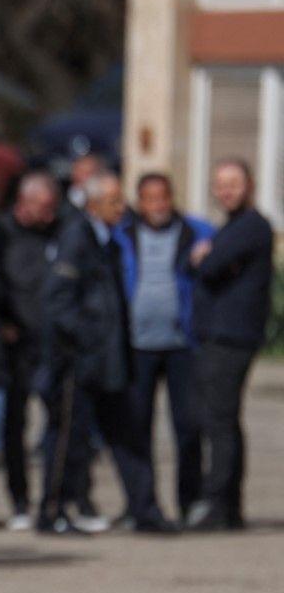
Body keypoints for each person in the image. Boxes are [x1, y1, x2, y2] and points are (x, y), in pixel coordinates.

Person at [40, 171, 167, 534]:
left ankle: (145, 510)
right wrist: (88, 339)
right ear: (94, 205)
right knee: (67, 438)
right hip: (77, 362)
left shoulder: (107, 240)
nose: (121, 207)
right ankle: (53, 511)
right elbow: (58, 302)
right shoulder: (76, 237)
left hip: (109, 361)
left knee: (127, 434)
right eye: (113, 201)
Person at [112, 172, 215, 527]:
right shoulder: (121, 235)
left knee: (188, 426)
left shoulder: (197, 231)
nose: (158, 205)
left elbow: (224, 252)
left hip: (182, 346)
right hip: (136, 347)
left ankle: (190, 503)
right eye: (150, 199)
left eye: (163, 197)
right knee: (137, 427)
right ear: (139, 202)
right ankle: (143, 506)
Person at [186, 158, 274, 531]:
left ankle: (216, 504)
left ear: (250, 185)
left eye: (233, 183)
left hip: (230, 336)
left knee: (219, 421)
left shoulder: (252, 226)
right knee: (225, 420)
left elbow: (209, 267)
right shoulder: (233, 226)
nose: (226, 190)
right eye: (220, 183)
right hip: (221, 334)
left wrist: (204, 257)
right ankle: (230, 506)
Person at [0, 171, 62, 531]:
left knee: (58, 420)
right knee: (14, 425)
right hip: (16, 345)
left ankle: (57, 500)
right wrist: (4, 321)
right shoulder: (1, 233)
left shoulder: (58, 230)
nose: (50, 215)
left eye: (53, 208)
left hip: (50, 341)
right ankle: (20, 500)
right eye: (43, 208)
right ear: (24, 202)